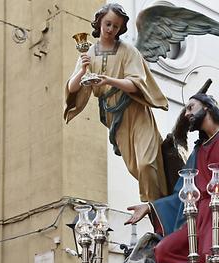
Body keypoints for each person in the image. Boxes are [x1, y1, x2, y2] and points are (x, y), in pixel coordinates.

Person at [127, 92, 219, 263]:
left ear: (207, 106)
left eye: (191, 107)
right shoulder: (198, 152)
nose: (186, 114)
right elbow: (183, 195)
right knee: (163, 252)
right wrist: (150, 207)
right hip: (197, 219)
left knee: (212, 258)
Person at [65, 3, 168, 202]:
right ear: (99, 23)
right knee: (136, 168)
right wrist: (82, 71)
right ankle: (158, 209)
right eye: (108, 24)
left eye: (116, 26)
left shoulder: (128, 51)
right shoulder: (89, 54)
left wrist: (109, 80)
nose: (111, 29)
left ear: (121, 28)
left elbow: (136, 84)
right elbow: (71, 88)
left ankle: (157, 207)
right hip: (116, 118)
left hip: (136, 113)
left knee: (148, 163)